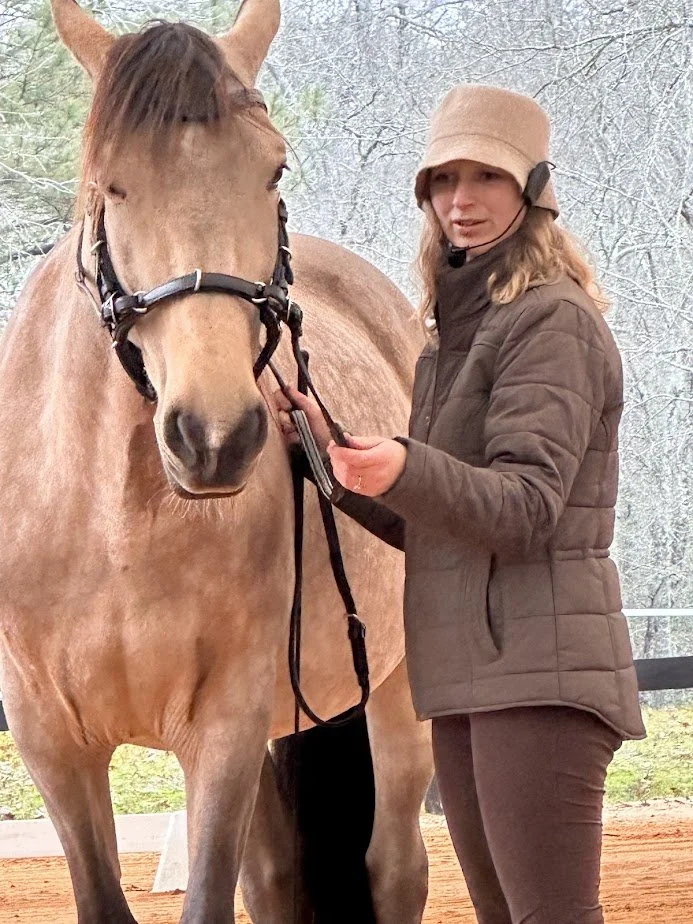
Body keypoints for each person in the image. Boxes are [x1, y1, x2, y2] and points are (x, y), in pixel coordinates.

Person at [274, 84, 645, 923]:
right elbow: (441, 528)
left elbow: (524, 507)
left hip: (537, 674)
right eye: (442, 180)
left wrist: (403, 464)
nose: (460, 201)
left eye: (486, 178)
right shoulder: (459, 332)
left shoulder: (551, 322)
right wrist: (330, 458)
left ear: (533, 191)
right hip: (471, 673)